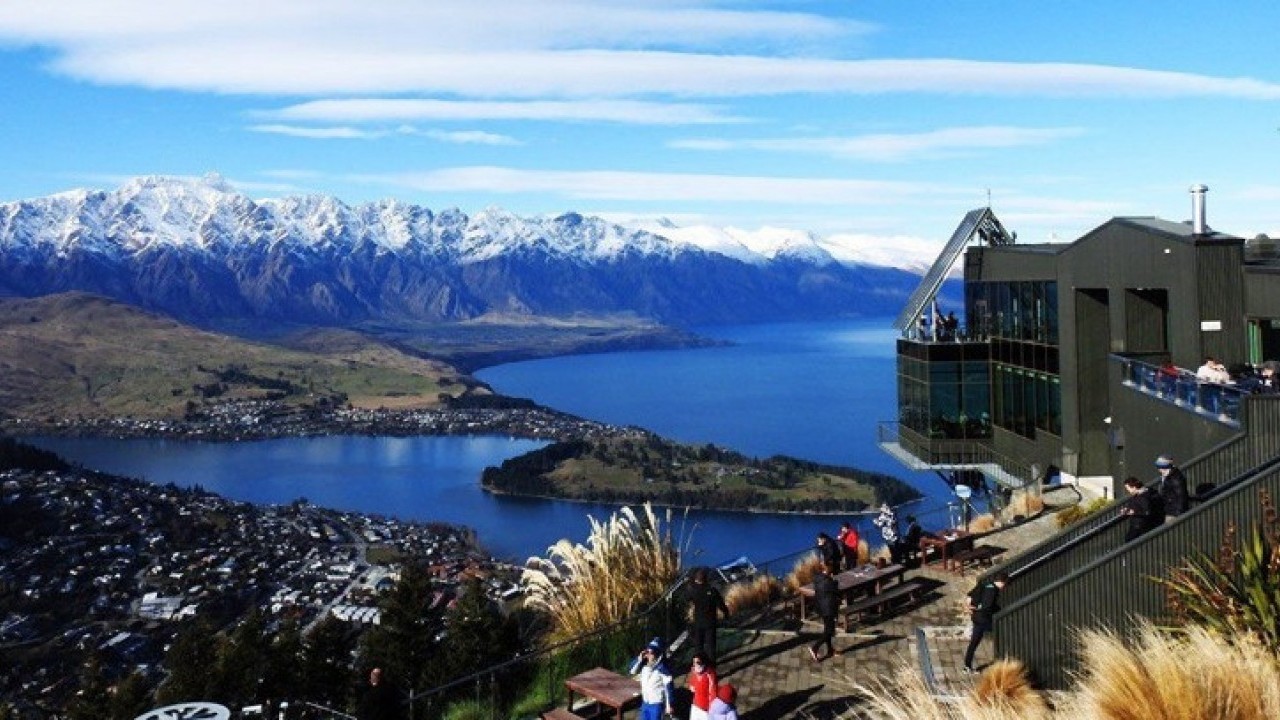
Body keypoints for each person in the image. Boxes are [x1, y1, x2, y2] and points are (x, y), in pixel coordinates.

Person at [963, 571, 1008, 674]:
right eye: (1005, 584)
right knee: (1001, 631)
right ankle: (1001, 659)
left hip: (976, 618)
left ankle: (967, 666)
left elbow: (970, 594)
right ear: (1002, 582)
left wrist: (970, 607)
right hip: (983, 619)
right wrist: (998, 610)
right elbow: (987, 607)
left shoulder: (986, 585)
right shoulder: (993, 591)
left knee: (974, 643)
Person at [686, 567, 729, 664]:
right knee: (710, 646)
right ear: (706, 579)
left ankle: (698, 666)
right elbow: (720, 604)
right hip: (710, 622)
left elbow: (688, 598)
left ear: (697, 580)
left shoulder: (693, 590)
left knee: (698, 645)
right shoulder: (712, 590)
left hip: (698, 621)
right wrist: (726, 613)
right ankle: (711, 667)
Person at [629, 637, 675, 720]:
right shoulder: (644, 665)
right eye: (647, 651)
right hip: (645, 703)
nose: (648, 654)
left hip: (656, 705)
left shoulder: (663, 669)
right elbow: (631, 671)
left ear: (658, 654)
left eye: (651, 652)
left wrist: (670, 705)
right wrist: (639, 659)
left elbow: (669, 689)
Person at [808, 562, 841, 662]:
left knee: (828, 629)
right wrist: (834, 581)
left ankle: (830, 650)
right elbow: (835, 590)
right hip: (828, 608)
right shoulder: (828, 582)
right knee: (829, 631)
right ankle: (815, 648)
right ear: (829, 572)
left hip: (822, 608)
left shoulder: (818, 579)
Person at [1120, 476, 1162, 542]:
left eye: (1128, 488)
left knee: (1129, 540)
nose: (1128, 490)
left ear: (1134, 487)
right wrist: (1127, 509)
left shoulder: (1143, 497)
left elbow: (1147, 511)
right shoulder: (1141, 494)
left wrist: (1133, 512)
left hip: (1140, 526)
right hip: (1139, 525)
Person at [1153, 455, 1189, 520]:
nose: (1159, 469)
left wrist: (1179, 513)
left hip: (1173, 512)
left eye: (1159, 467)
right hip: (1169, 510)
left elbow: (1181, 496)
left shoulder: (1175, 478)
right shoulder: (1167, 476)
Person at [687, 652, 718, 720]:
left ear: (703, 662)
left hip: (705, 707)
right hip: (696, 705)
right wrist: (691, 686)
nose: (695, 665)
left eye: (698, 662)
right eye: (694, 662)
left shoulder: (710, 674)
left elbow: (713, 692)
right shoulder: (693, 671)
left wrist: (711, 708)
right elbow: (691, 683)